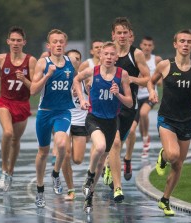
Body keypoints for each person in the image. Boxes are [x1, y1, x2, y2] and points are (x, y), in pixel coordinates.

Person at [147, 29, 191, 216]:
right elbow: (151, 82)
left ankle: (165, 199)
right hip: (167, 118)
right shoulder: (166, 65)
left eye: (189, 42)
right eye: (182, 41)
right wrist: (152, 92)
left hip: (186, 121)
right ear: (175, 44)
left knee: (178, 165)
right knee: (173, 155)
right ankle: (163, 155)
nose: (185, 44)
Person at [73, 41, 133, 213]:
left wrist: (118, 94)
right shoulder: (93, 71)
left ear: (116, 57)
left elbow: (129, 103)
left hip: (112, 122)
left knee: (101, 163)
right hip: (94, 118)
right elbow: (77, 79)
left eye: (111, 54)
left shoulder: (122, 75)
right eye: (105, 53)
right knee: (99, 147)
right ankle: (89, 177)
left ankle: (89, 195)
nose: (108, 57)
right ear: (100, 55)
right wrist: (83, 99)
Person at [0, 26, 37, 191]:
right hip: (5, 102)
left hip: (22, 104)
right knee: (8, 133)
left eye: (19, 40)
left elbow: (34, 88)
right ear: (8, 41)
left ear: (24, 42)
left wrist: (25, 79)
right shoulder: (1, 58)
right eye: (12, 40)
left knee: (15, 140)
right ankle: (3, 169)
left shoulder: (31, 61)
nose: (15, 43)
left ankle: (10, 172)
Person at [31, 29, 79, 208]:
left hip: (63, 111)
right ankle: (40, 188)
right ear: (49, 45)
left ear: (65, 44)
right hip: (45, 112)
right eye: (55, 42)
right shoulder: (42, 63)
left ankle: (56, 173)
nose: (58, 44)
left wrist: (79, 92)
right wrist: (48, 75)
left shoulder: (71, 61)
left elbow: (76, 79)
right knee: (43, 152)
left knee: (60, 144)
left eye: (61, 41)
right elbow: (33, 91)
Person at [104, 17, 150, 202]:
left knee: (119, 143)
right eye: (118, 33)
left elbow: (147, 78)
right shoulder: (108, 52)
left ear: (130, 35)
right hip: (109, 106)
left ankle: (109, 165)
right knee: (115, 144)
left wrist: (132, 79)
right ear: (113, 34)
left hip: (129, 106)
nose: (122, 36)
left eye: (125, 33)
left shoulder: (136, 54)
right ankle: (118, 187)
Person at [124, 36, 163, 180]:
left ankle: (146, 138)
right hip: (135, 97)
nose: (147, 47)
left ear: (152, 47)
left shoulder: (156, 60)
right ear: (141, 45)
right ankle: (142, 139)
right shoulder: (135, 58)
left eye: (149, 45)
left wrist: (156, 83)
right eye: (144, 45)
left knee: (144, 113)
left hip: (149, 96)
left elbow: (160, 80)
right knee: (132, 129)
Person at [61, 49, 88, 201]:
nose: (74, 61)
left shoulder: (85, 79)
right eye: (70, 59)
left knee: (77, 159)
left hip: (80, 121)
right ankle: (71, 189)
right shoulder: (61, 78)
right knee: (65, 153)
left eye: (77, 59)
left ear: (80, 62)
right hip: (64, 119)